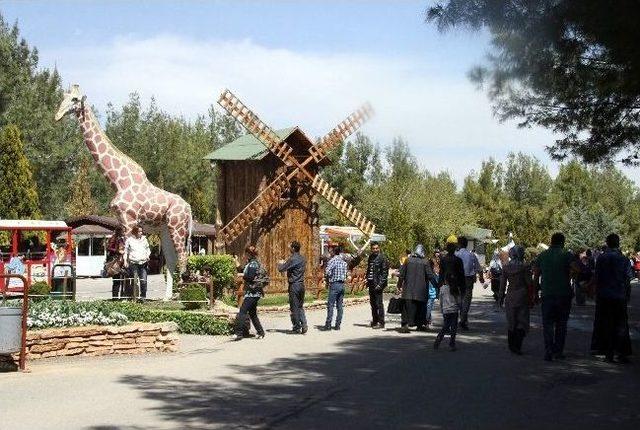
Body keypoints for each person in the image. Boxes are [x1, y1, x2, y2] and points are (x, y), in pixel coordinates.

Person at [532, 232, 579, 361]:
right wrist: (570, 275)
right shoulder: (566, 255)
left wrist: (535, 293)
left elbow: (536, 276)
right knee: (561, 324)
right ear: (562, 242)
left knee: (547, 324)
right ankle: (558, 351)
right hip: (564, 294)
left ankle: (548, 351)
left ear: (551, 241)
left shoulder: (542, 256)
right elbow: (577, 269)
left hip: (547, 294)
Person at [591, 234, 633, 363]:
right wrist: (627, 295)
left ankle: (608, 352)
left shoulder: (601, 258)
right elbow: (628, 278)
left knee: (605, 323)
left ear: (607, 243)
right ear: (618, 243)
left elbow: (597, 277)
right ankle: (621, 353)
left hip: (604, 295)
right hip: (619, 295)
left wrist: (593, 291)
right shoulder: (624, 259)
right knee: (620, 324)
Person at [499, 245, 533, 355]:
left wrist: (500, 297)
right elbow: (529, 283)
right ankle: (518, 345)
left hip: (510, 295)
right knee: (522, 321)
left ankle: (511, 345)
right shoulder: (525, 267)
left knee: (511, 320)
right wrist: (532, 296)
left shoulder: (506, 267)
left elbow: (503, 284)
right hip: (522, 295)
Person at [232, 246, 267, 341]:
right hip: (254, 292)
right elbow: (243, 270)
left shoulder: (253, 264)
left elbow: (250, 277)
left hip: (253, 292)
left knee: (242, 311)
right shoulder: (251, 263)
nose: (245, 255)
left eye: (246, 253)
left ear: (249, 253)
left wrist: (242, 275)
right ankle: (260, 332)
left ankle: (238, 333)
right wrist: (236, 262)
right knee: (252, 313)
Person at [397, 244, 435, 333]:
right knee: (421, 308)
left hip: (408, 290)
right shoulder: (425, 262)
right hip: (421, 291)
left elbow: (402, 274)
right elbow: (430, 276)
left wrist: (399, 285)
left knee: (406, 309)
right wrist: (437, 285)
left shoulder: (408, 260)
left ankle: (405, 325)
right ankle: (420, 325)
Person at [278, 240, 307, 334]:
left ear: (293, 248)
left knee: (294, 307)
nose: (289, 248)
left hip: (294, 285)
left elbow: (281, 269)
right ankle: (304, 324)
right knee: (300, 306)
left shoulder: (292, 259)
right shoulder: (303, 258)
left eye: (290, 247)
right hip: (301, 284)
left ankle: (296, 327)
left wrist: (280, 263)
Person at [455, 236, 484, 330]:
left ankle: (463, 319)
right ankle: (463, 319)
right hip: (468, 280)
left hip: (457, 280)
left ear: (459, 244)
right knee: (466, 300)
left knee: (458, 299)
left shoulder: (456, 254)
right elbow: (479, 268)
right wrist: (481, 278)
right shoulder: (471, 255)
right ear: (466, 244)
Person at [363, 241, 389, 328]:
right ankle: (375, 321)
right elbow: (369, 270)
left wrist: (380, 284)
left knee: (379, 304)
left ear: (379, 248)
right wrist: (366, 279)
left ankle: (381, 322)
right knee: (373, 304)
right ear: (371, 249)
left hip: (378, 284)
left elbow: (385, 273)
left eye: (377, 248)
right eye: (373, 248)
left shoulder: (382, 258)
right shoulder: (370, 257)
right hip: (371, 283)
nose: (375, 250)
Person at [323, 245, 348, 330]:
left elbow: (327, 272)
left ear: (333, 252)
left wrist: (330, 277)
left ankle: (328, 324)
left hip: (334, 284)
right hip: (342, 284)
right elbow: (346, 274)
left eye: (331, 251)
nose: (330, 252)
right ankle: (338, 325)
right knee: (339, 306)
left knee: (330, 305)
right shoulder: (344, 262)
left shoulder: (332, 261)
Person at [124, 226, 151, 301]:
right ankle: (134, 297)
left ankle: (143, 297)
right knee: (135, 281)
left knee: (144, 281)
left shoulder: (144, 240)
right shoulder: (129, 240)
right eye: (139, 231)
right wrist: (125, 261)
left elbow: (148, 249)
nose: (141, 233)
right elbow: (126, 252)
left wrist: (148, 255)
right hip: (134, 263)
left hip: (143, 263)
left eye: (141, 231)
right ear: (135, 232)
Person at [106, 227, 126, 300]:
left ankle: (122, 296)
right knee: (116, 280)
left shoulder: (122, 238)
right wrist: (118, 251)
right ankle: (115, 298)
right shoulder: (114, 238)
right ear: (119, 231)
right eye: (123, 231)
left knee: (123, 280)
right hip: (116, 261)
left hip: (122, 260)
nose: (124, 232)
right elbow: (108, 248)